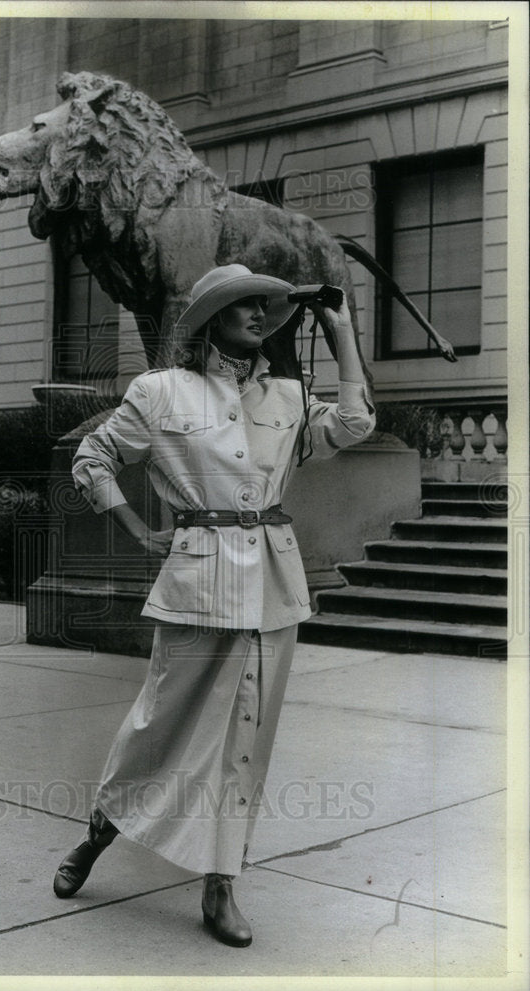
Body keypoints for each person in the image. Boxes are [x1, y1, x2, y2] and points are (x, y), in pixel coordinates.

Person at [53, 263, 375, 947]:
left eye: (267, 307)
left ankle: (219, 884)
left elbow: (354, 425)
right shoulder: (161, 391)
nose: (260, 315)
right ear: (208, 321)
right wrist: (139, 530)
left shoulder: (287, 395)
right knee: (157, 728)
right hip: (198, 582)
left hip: (273, 586)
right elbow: (93, 457)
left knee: (247, 739)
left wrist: (342, 332)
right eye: (244, 306)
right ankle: (97, 836)